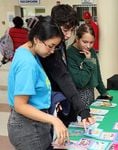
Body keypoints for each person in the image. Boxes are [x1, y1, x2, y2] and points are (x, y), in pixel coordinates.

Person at [7, 16, 68, 150]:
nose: (52, 51)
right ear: (36, 39)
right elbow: (20, 106)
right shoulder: (28, 63)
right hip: (29, 127)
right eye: (50, 46)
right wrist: (54, 120)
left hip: (31, 123)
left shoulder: (27, 51)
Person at [39, 4, 94, 127]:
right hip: (49, 104)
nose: (69, 35)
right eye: (65, 30)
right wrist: (82, 109)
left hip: (63, 98)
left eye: (72, 30)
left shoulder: (60, 43)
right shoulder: (47, 50)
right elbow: (63, 77)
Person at [67, 24, 112, 107]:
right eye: (85, 42)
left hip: (90, 93)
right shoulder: (70, 53)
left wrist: (103, 92)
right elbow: (80, 82)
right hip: (77, 95)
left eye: (91, 42)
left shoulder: (92, 51)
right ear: (77, 39)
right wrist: (88, 61)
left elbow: (96, 73)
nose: (88, 46)